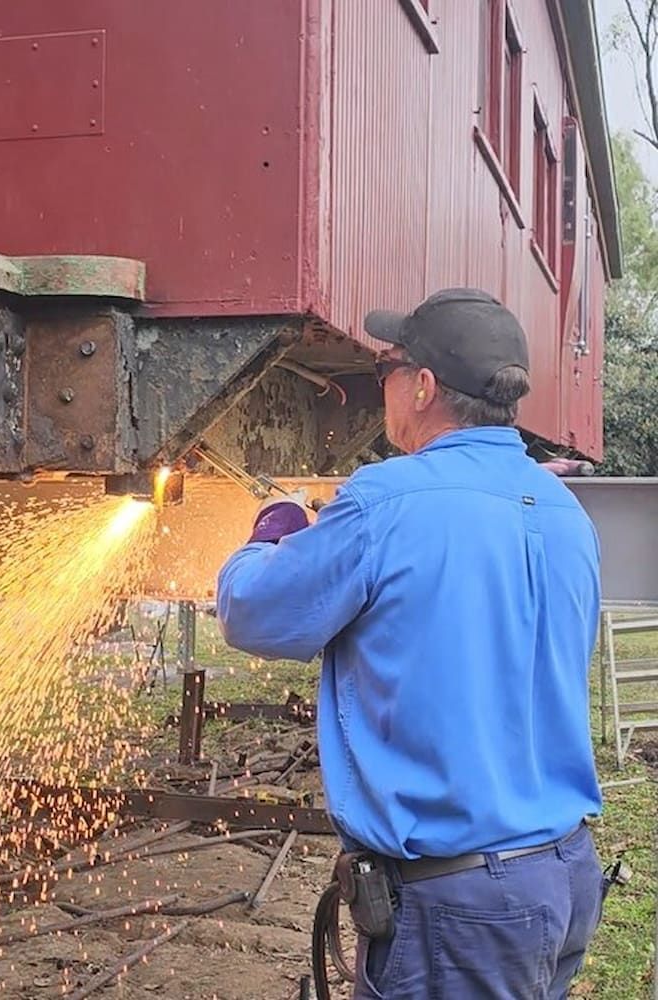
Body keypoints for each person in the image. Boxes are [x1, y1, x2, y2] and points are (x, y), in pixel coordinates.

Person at [216, 288, 606, 999]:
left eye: (387, 371)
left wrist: (271, 530)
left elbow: (252, 612)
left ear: (423, 386)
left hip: (459, 910)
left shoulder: (385, 502)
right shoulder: (564, 511)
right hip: (561, 876)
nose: (384, 389)